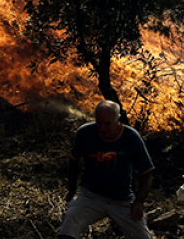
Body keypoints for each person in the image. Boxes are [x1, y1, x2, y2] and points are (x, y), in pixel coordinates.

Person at [58, 100, 155, 239]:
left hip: (122, 199)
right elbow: (73, 162)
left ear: (118, 120)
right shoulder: (85, 133)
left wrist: (139, 202)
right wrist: (71, 192)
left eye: (108, 124)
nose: (102, 128)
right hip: (90, 195)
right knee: (70, 222)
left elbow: (146, 173)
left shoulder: (131, 137)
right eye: (99, 123)